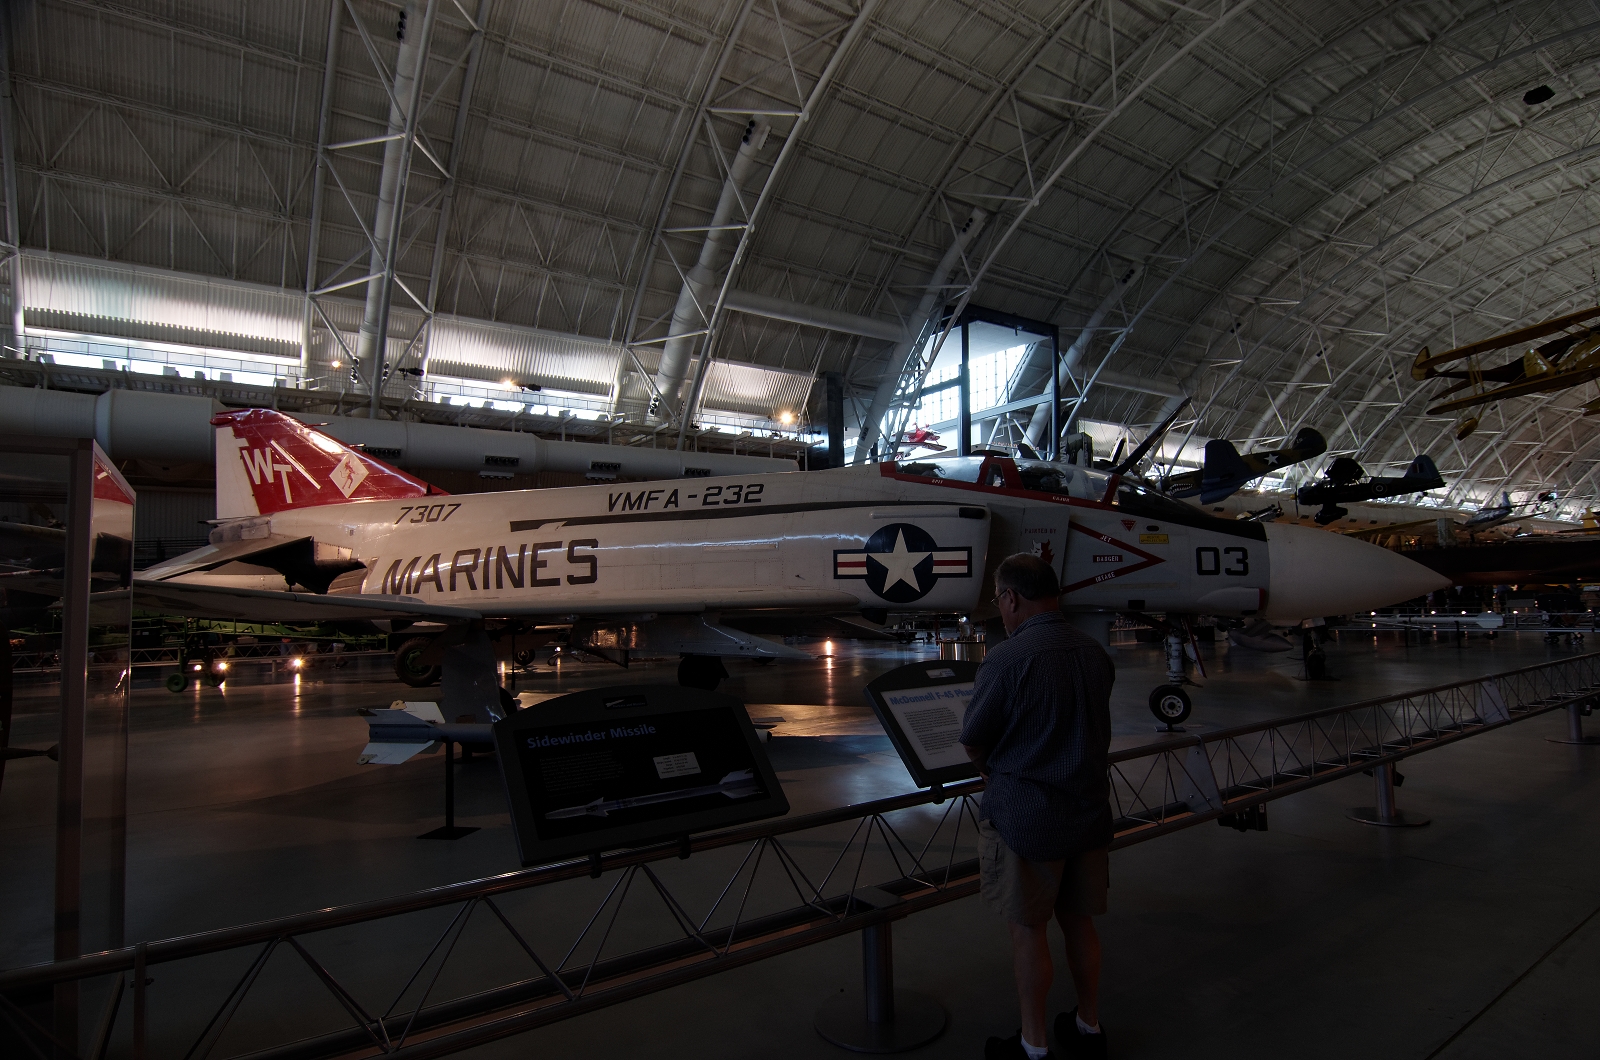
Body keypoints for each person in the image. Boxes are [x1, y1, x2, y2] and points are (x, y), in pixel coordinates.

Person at [960, 553, 1114, 1060]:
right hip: (1088, 813)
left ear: (1011, 598)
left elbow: (974, 738)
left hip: (1028, 820)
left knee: (1028, 930)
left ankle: (1033, 1045)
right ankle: (1089, 1026)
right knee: (1080, 922)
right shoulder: (1093, 652)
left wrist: (992, 766)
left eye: (999, 599)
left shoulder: (1006, 659)